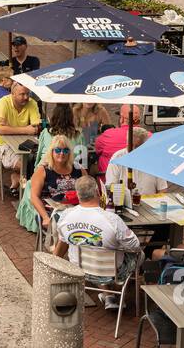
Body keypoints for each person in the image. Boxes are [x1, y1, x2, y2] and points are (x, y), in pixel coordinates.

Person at [52, 175, 142, 309]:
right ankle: (124, 293)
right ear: (97, 192)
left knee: (96, 250)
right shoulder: (112, 219)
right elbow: (135, 246)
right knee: (140, 254)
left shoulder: (65, 216)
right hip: (113, 273)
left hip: (80, 270)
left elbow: (63, 242)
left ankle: (108, 295)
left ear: (78, 194)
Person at [18, 133, 86, 235]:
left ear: (69, 153)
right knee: (67, 227)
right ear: (51, 152)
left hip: (77, 210)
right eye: (58, 150)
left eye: (65, 150)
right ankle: (61, 250)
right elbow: (34, 196)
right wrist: (45, 217)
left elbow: (88, 192)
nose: (62, 153)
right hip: (53, 210)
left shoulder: (78, 169)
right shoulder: (43, 170)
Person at [0, 80, 41, 196]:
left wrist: (8, 128)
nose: (26, 97)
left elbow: (35, 127)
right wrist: (25, 130)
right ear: (12, 94)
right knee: (24, 166)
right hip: (0, 143)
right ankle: (26, 192)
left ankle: (17, 182)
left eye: (28, 94)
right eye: (22, 94)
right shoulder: (2, 103)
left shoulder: (32, 103)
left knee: (38, 162)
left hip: (22, 143)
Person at [104, 126, 168, 197]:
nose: (133, 150)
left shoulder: (154, 160)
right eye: (130, 146)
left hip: (150, 204)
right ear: (126, 143)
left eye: (137, 146)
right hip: (123, 203)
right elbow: (110, 186)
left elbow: (162, 189)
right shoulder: (117, 158)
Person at [94, 104, 144, 176]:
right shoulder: (148, 137)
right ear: (138, 120)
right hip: (139, 181)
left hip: (109, 182)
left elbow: (97, 149)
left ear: (122, 119)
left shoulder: (108, 134)